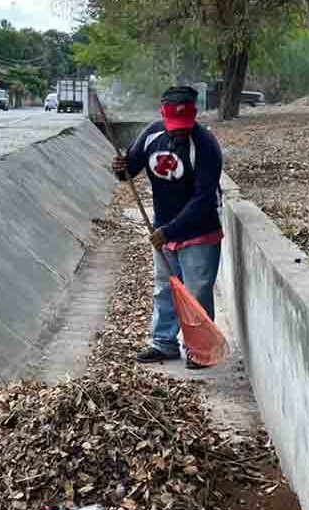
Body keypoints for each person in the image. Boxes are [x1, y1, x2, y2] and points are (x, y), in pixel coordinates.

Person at [112, 85, 224, 369]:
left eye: (184, 126)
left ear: (194, 117)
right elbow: (129, 171)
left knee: (196, 293)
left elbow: (203, 199)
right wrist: (120, 168)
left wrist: (169, 231)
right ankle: (164, 344)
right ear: (162, 115)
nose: (178, 133)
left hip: (199, 232)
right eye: (174, 126)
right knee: (164, 288)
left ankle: (200, 351)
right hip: (164, 230)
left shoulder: (207, 145)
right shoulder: (152, 134)